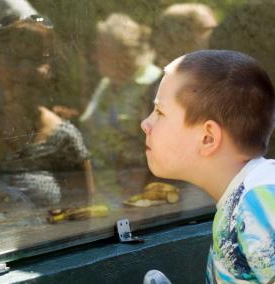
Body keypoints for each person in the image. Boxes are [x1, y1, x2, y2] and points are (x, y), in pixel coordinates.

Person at [141, 50, 275, 283]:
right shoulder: (243, 198)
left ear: (208, 138)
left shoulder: (260, 200)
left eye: (160, 112)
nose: (145, 123)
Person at [79, 13, 161, 190]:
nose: (95, 56)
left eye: (101, 50)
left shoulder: (154, 83)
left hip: (136, 189)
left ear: (121, 53)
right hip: (100, 187)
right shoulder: (107, 82)